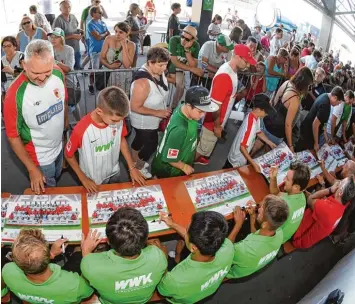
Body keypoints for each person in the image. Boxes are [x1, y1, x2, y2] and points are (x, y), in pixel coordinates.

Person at [4, 40, 68, 193]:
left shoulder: (58, 73)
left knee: (57, 176)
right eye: (36, 73)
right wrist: (32, 168)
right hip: (39, 157)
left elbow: (64, 102)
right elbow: (13, 136)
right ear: (24, 65)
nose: (42, 78)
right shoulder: (14, 95)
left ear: (53, 63)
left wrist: (64, 134)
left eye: (47, 72)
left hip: (58, 147)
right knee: (49, 192)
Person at [65, 86, 145, 193]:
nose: (118, 124)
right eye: (114, 120)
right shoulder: (81, 129)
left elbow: (121, 140)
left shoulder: (118, 119)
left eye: (120, 120)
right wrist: (83, 178)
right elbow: (68, 155)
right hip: (93, 178)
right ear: (99, 111)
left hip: (114, 171)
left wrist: (131, 167)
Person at [81, 208, 167, 304]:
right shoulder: (158, 256)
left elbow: (85, 287)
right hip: (144, 300)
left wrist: (86, 252)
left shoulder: (90, 266)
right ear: (146, 238)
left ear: (108, 241)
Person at [194, 44, 256, 165]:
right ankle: (183, 168)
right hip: (212, 123)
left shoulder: (231, 71)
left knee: (204, 147)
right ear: (237, 57)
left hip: (216, 122)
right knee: (201, 150)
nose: (248, 65)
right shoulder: (225, 76)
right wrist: (217, 127)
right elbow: (215, 106)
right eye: (246, 61)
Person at [158, 211, 234, 303]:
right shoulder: (228, 247)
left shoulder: (176, 279)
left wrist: (162, 258)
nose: (186, 233)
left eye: (187, 231)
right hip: (204, 290)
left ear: (193, 248)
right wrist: (173, 224)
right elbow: (198, 238)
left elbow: (162, 291)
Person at [2, 229, 94, 303]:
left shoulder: (8, 271)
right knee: (78, 255)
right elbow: (89, 289)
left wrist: (51, 253)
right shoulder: (74, 284)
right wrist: (86, 254)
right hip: (65, 287)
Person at [151, 86, 218, 178]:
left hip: (182, 156)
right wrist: (184, 167)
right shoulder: (180, 129)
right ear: (188, 106)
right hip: (169, 171)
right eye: (200, 111)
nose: (203, 115)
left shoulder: (183, 108)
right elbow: (170, 158)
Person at [130, 47, 171, 178]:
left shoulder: (157, 72)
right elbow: (135, 107)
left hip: (152, 118)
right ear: (150, 62)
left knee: (139, 140)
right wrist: (158, 112)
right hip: (144, 121)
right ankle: (139, 166)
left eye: (166, 64)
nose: (164, 68)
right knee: (151, 145)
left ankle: (133, 160)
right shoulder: (142, 82)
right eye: (161, 65)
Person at [227, 195, 289, 279]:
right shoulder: (279, 232)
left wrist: (238, 224)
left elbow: (225, 251)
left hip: (231, 271)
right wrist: (253, 215)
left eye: (260, 211)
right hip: (253, 262)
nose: (258, 209)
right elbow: (257, 233)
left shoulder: (245, 249)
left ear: (265, 224)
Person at [292, 176, 355, 249]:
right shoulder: (342, 203)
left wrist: (330, 189)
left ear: (340, 192)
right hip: (307, 228)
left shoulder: (327, 209)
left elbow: (310, 199)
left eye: (340, 182)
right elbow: (322, 201)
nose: (337, 183)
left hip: (297, 238)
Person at [262, 67, 314, 150]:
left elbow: (274, 102)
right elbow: (288, 124)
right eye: (308, 86)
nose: (308, 89)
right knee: (267, 152)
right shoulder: (295, 99)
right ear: (304, 84)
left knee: (258, 143)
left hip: (268, 121)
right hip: (277, 131)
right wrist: (290, 145)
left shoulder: (286, 83)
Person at [224, 94, 277, 171]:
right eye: (266, 111)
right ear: (258, 109)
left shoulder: (255, 116)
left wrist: (269, 142)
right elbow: (242, 147)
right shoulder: (251, 125)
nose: (267, 114)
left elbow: (258, 132)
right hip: (235, 161)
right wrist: (253, 163)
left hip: (238, 157)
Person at [269, 162, 311, 243]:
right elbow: (277, 194)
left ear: (296, 187)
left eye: (287, 179)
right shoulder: (301, 196)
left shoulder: (283, 206)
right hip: (283, 238)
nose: (284, 179)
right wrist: (273, 178)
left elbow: (266, 226)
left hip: (272, 241)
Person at [296, 86, 344, 152]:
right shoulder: (325, 105)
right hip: (308, 134)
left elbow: (324, 121)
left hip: (307, 131)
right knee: (301, 152)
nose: (337, 105)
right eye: (338, 103)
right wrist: (316, 143)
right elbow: (315, 124)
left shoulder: (325, 96)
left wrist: (325, 136)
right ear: (335, 98)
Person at [48, 27, 81, 122]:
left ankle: (79, 123)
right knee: (58, 107)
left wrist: (53, 61)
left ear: (62, 38)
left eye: (56, 37)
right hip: (53, 84)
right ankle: (63, 129)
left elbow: (68, 68)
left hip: (69, 83)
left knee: (73, 104)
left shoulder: (69, 50)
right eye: (51, 37)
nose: (53, 39)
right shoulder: (48, 50)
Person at [168, 25, 203, 109]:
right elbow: (175, 62)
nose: (183, 40)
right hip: (171, 67)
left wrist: (187, 50)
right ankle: (172, 107)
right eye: (182, 36)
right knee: (179, 86)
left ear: (193, 40)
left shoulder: (196, 45)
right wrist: (193, 69)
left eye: (187, 39)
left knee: (181, 88)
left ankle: (173, 108)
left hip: (183, 70)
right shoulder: (174, 40)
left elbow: (193, 64)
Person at [100, 22, 135, 93]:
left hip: (124, 76)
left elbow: (127, 65)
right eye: (116, 31)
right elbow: (102, 58)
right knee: (109, 97)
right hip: (109, 74)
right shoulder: (108, 39)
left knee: (122, 97)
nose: (117, 34)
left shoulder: (131, 45)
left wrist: (124, 46)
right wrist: (109, 66)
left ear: (127, 33)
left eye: (121, 32)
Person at [87, 5, 110, 94]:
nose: (101, 14)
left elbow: (108, 34)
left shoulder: (102, 22)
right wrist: (103, 34)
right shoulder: (90, 24)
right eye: (99, 12)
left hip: (104, 49)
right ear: (93, 14)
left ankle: (100, 85)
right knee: (94, 69)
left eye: (101, 12)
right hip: (95, 50)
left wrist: (103, 35)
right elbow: (97, 37)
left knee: (102, 68)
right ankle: (91, 84)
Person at [53, 0, 83, 70]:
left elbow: (75, 28)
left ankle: (76, 81)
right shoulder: (58, 20)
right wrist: (72, 36)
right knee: (68, 69)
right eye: (65, 7)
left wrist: (79, 31)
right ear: (60, 9)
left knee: (77, 67)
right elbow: (56, 37)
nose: (68, 9)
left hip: (76, 48)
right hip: (65, 50)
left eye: (69, 7)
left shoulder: (73, 17)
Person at [80, 0, 108, 66]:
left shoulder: (100, 10)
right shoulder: (86, 10)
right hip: (88, 35)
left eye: (99, 1)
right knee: (92, 53)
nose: (98, 3)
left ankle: (85, 67)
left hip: (98, 34)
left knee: (91, 54)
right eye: (96, 1)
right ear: (92, 1)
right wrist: (82, 34)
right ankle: (86, 67)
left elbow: (106, 16)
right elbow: (81, 22)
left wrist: (101, 8)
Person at [125, 3, 143, 67]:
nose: (139, 10)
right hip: (132, 41)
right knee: (132, 59)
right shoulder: (130, 18)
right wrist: (140, 31)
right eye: (138, 8)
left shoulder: (136, 18)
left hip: (136, 40)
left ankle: (133, 72)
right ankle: (132, 73)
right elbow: (128, 32)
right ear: (134, 9)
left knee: (135, 58)